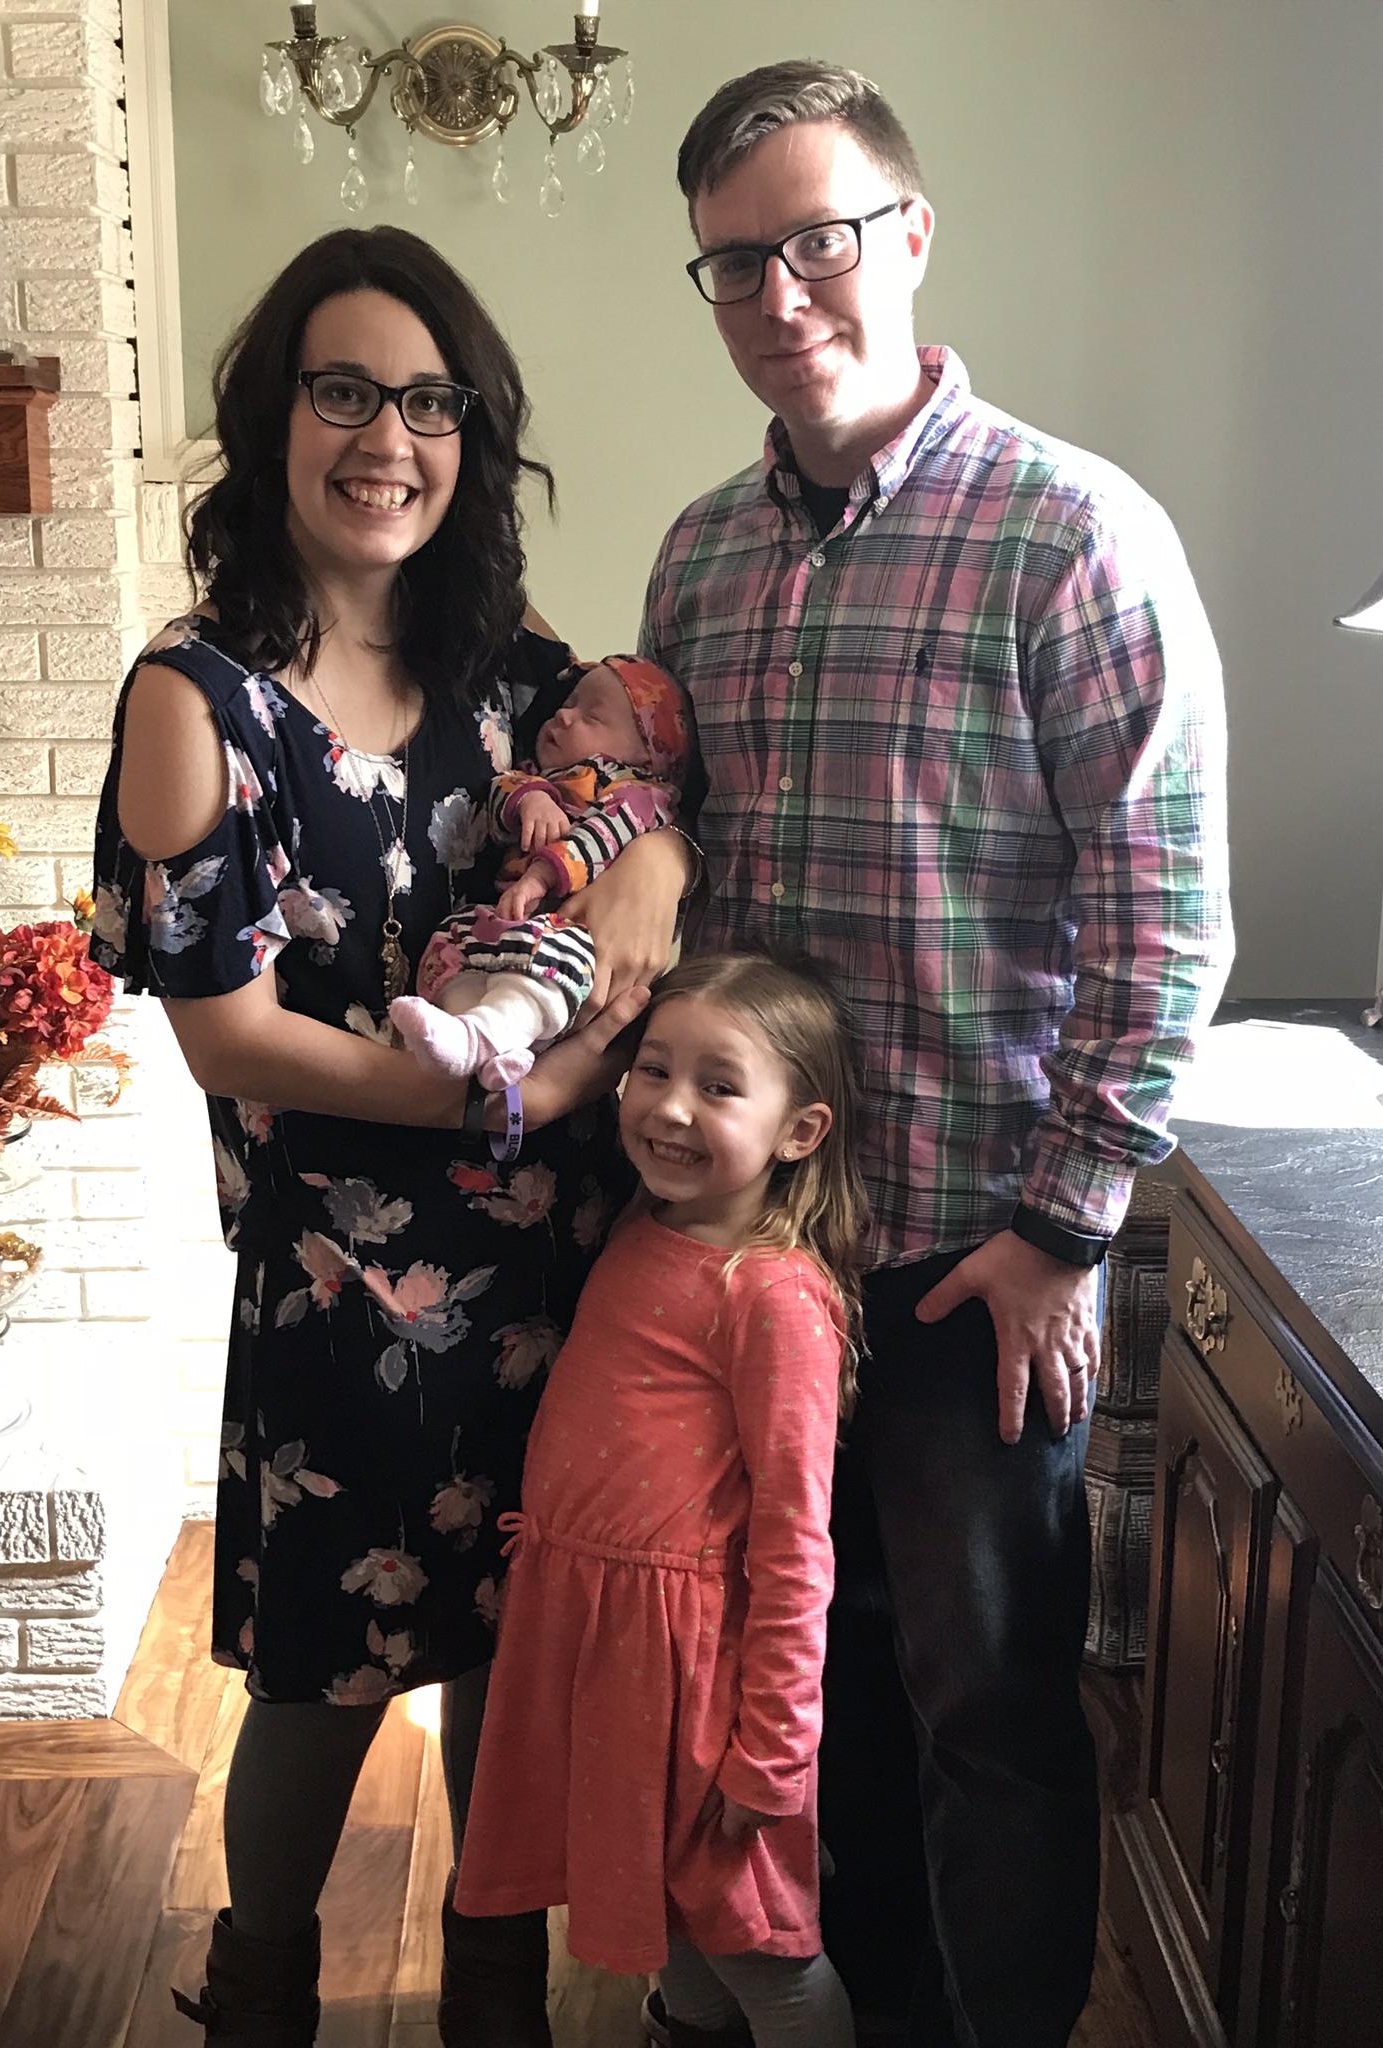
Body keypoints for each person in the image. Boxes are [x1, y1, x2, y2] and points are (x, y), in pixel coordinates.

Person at [640, 65, 1233, 2048]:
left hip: (976, 1256)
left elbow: (1167, 917)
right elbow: (676, 876)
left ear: (907, 235)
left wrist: (1065, 1231)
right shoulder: (699, 561)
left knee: (988, 1706)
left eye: (815, 241)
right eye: (734, 262)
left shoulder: (1073, 534)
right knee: (804, 1685)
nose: (778, 293)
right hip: (763, 1258)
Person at [89, 226, 686, 2048]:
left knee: (519, 1633)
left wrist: (652, 857)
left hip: (562, 1260)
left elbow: (628, 792)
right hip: (350, 1283)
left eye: (430, 403)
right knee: (324, 1672)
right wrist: (513, 1091)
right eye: (344, 391)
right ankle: (261, 1983)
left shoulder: (508, 661)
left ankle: (493, 1982)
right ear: (273, 416)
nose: (388, 439)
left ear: (469, 436)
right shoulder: (197, 699)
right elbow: (227, 1033)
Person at [454, 951, 868, 2048]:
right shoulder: (643, 1227)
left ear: (800, 1131)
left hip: (691, 1670)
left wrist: (772, 1749)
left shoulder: (773, 1295)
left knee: (756, 1945)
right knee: (664, 1903)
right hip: (600, 1641)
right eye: (654, 1069)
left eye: (719, 1085)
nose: (671, 1107)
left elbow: (797, 1542)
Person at [390, 653, 693, 1088]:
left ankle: (486, 1040)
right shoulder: (538, 775)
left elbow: (598, 839)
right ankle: (473, 1041)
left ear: (650, 754)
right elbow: (500, 789)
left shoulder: (639, 795)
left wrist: (541, 876)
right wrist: (530, 798)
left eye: (592, 716)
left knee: (556, 964)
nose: (564, 716)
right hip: (509, 918)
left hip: (569, 927)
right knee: (453, 943)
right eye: (569, 703)